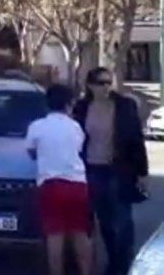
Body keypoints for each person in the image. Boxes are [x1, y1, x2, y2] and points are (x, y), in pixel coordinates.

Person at [73, 67, 149, 275]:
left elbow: (136, 139)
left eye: (109, 82)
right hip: (90, 170)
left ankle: (121, 267)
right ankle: (110, 262)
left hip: (118, 169)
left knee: (122, 222)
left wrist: (142, 173)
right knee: (103, 222)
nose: (106, 87)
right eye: (101, 83)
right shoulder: (81, 107)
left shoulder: (124, 106)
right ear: (90, 85)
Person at [26, 84, 92, 275]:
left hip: (50, 183)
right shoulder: (75, 127)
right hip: (77, 184)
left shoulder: (37, 127)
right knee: (80, 232)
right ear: (69, 104)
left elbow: (31, 152)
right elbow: (79, 149)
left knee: (55, 235)